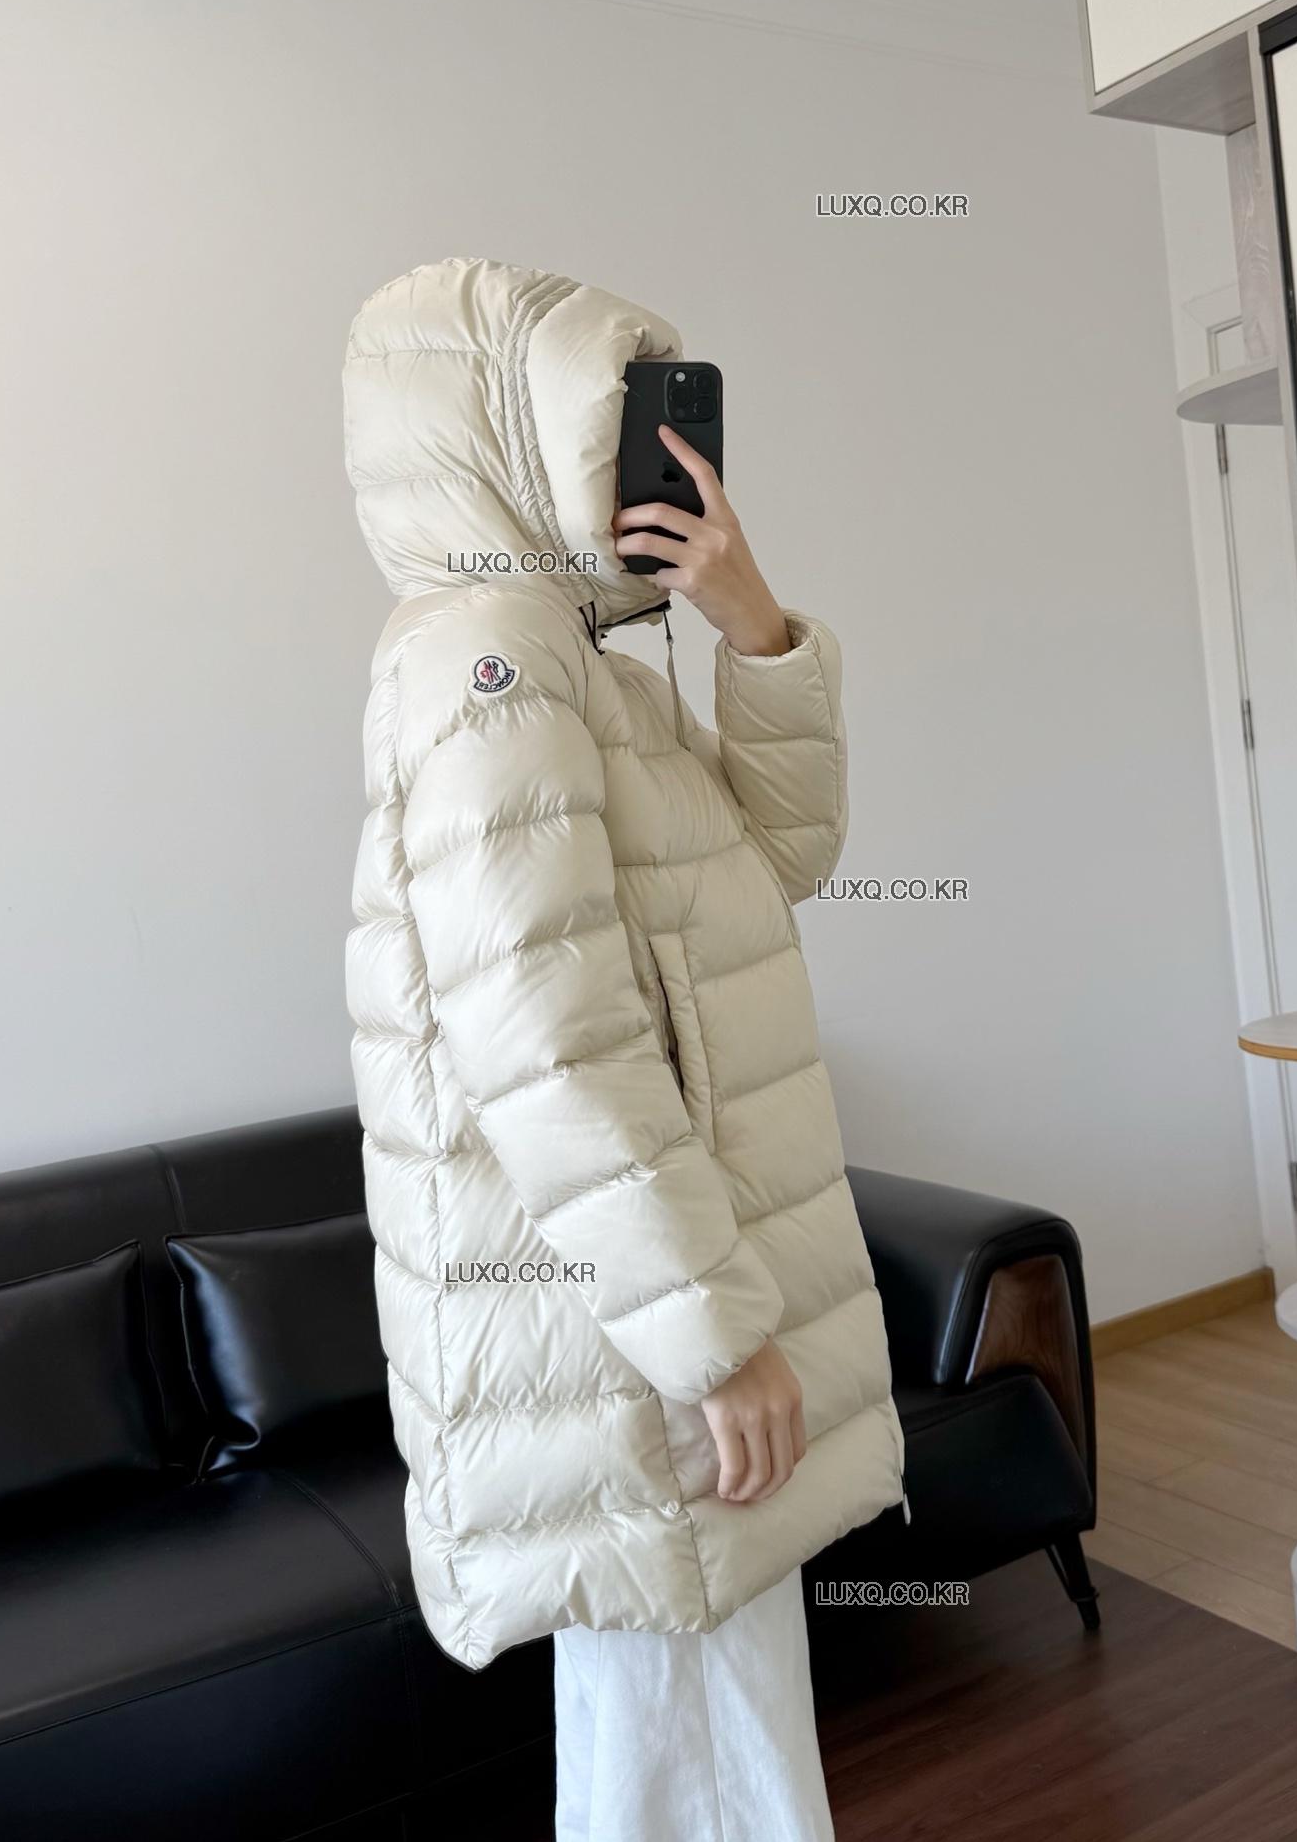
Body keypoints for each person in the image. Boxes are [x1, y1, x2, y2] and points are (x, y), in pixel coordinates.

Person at [342, 258, 904, 1842]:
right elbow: (548, 1042)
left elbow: (781, 862)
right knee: (691, 1742)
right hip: (627, 1331)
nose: (643, 468)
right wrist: (711, 1338)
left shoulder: (579, 663)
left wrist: (754, 624)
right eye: (610, 433)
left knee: (693, 1730)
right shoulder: (487, 663)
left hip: (650, 1306)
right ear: (507, 441)